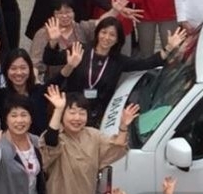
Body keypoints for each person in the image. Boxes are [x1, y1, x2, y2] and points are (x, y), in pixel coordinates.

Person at [44, 20, 184, 128]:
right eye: (104, 32)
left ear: (118, 39)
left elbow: (146, 63)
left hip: (98, 115)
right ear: (97, 33)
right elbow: (50, 59)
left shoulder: (118, 61)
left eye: (112, 35)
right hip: (73, 110)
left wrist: (169, 47)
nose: (106, 37)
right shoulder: (80, 49)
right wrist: (53, 41)